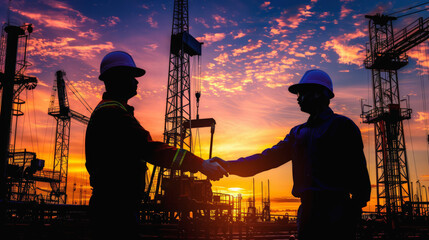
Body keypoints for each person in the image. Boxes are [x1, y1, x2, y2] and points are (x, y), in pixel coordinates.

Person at [211, 69, 371, 240]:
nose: (298, 98)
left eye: (302, 93)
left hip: (337, 211)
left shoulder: (342, 127)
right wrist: (228, 165)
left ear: (318, 93)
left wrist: (352, 210)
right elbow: (267, 159)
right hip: (309, 212)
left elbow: (359, 172)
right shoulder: (298, 133)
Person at [85, 51, 227, 240]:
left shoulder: (110, 112)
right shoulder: (114, 115)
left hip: (112, 205)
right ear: (117, 78)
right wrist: (200, 164)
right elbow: (152, 150)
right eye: (131, 76)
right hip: (116, 209)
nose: (137, 82)